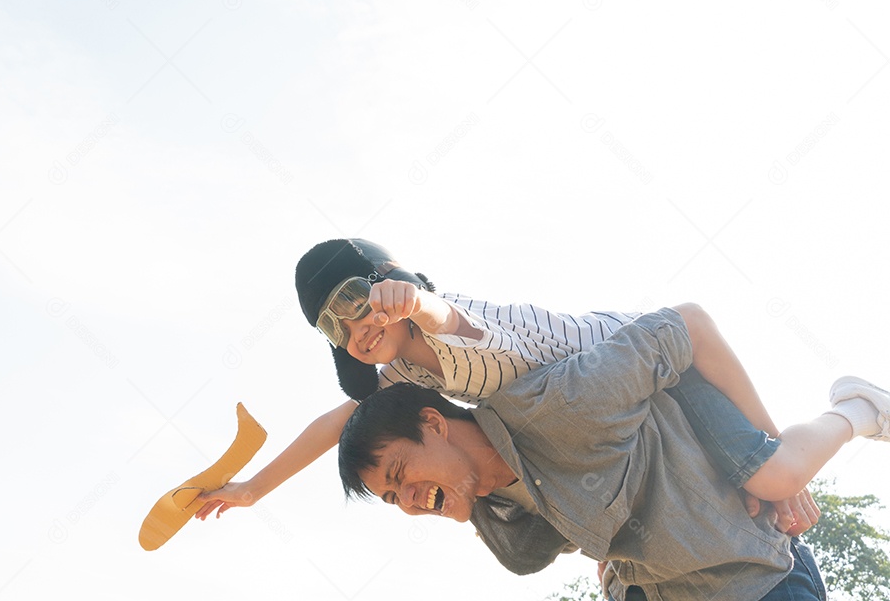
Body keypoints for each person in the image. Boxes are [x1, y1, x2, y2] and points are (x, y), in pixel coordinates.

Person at [196, 239, 822, 532]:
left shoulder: (447, 322)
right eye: (334, 326)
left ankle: (852, 410)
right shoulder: (403, 375)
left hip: (666, 353)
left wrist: (411, 299)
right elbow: (338, 424)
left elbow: (446, 318)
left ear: (385, 283)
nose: (355, 328)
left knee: (773, 479)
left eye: (355, 301)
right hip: (622, 412)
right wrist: (254, 488)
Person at [337, 309, 890, 599]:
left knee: (776, 474)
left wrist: (768, 443)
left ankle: (856, 409)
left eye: (400, 473)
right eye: (392, 498)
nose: (406, 501)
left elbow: (688, 324)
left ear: (434, 423)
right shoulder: (499, 522)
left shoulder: (553, 406)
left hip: (755, 580)